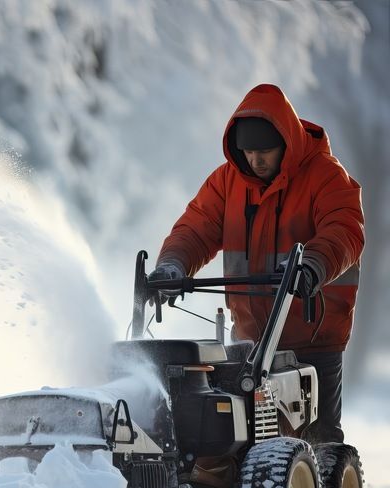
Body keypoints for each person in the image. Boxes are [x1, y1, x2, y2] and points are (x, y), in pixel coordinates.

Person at [149, 84, 365, 444]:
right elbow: (196, 228)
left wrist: (311, 265)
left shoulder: (325, 176)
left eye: (265, 151)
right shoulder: (227, 182)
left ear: (287, 144)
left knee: (319, 439)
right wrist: (173, 265)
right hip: (250, 342)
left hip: (313, 339)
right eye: (249, 152)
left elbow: (344, 229)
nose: (256, 161)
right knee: (237, 439)